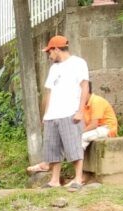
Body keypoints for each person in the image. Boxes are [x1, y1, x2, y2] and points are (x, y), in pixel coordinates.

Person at [28, 35, 90, 190]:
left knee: (73, 146)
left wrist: (80, 111)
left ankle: (78, 179)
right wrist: (46, 114)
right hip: (53, 115)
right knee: (52, 148)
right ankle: (54, 180)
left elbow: (84, 87)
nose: (49, 55)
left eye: (50, 52)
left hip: (70, 112)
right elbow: (50, 92)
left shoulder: (78, 63)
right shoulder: (54, 68)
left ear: (56, 49)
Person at [80, 82, 117, 149]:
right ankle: (81, 159)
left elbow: (94, 124)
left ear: (86, 90)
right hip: (96, 130)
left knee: (81, 137)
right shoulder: (83, 105)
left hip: (107, 129)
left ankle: (78, 159)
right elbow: (84, 125)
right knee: (77, 140)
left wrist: (80, 132)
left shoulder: (96, 101)